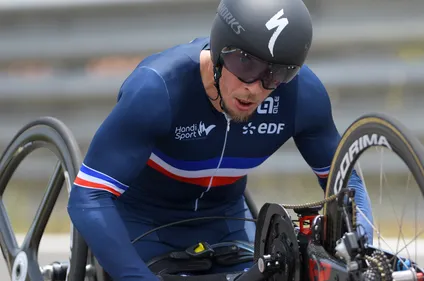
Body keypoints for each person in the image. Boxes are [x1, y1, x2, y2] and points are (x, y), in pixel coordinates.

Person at [67, 0, 374, 280]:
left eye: (276, 73)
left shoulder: (301, 95)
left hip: (225, 224)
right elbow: (88, 197)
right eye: (245, 65)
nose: (255, 87)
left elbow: (348, 187)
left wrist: (362, 251)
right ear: (219, 50)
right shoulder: (157, 90)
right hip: (144, 225)